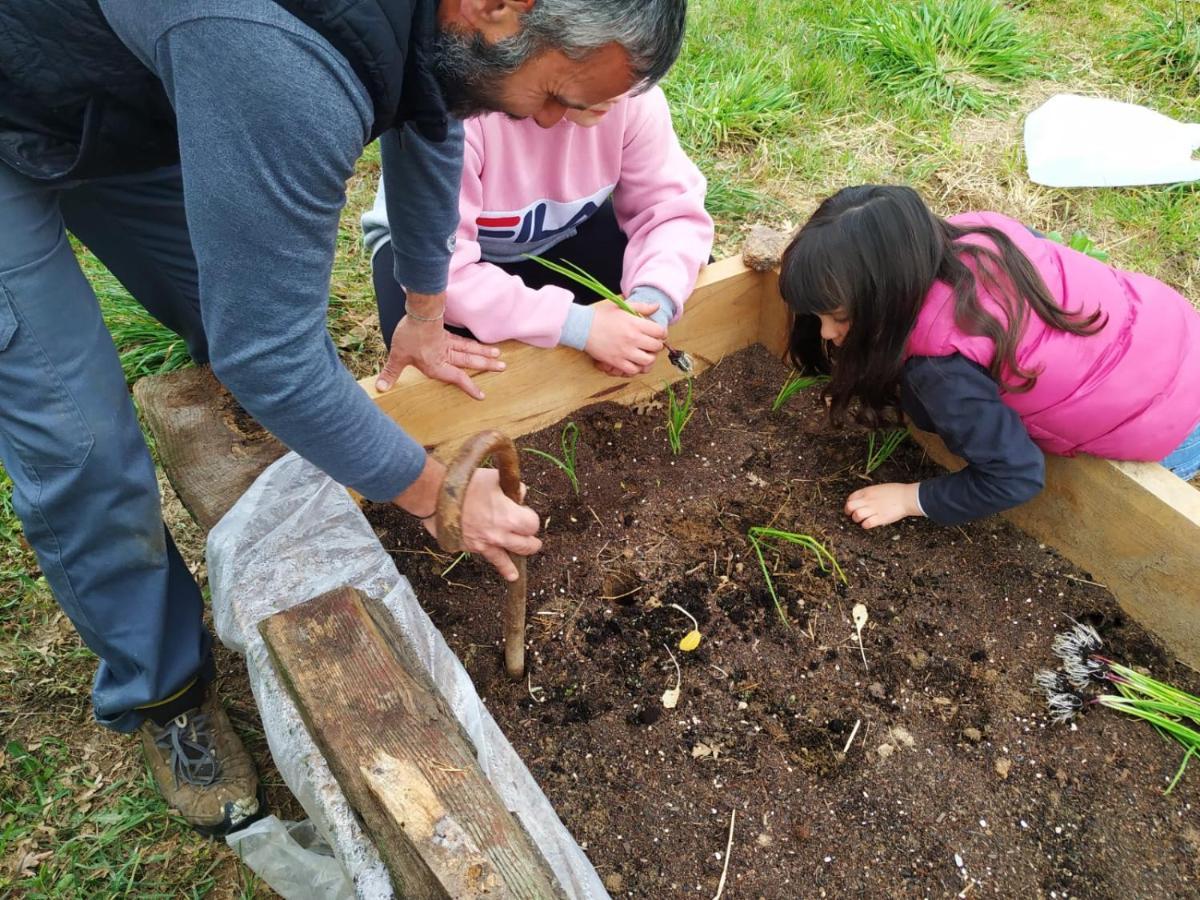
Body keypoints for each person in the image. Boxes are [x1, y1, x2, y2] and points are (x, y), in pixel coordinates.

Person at [0, 0, 686, 835]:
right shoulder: (280, 67)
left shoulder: (440, 30)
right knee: (82, 441)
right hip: (22, 92)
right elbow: (272, 358)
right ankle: (163, 692)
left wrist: (427, 307)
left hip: (127, 92)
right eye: (553, 95)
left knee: (231, 323)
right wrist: (435, 491)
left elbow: (430, 113)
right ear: (497, 8)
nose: (545, 123)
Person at [777, 185, 1200, 530]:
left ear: (889, 296)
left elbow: (1014, 476)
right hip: (1174, 330)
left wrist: (911, 498)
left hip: (1174, 419)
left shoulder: (940, 370)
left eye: (839, 318)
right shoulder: (978, 231)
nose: (827, 334)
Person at [364, 86, 713, 385]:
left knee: (678, 273)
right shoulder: (461, 113)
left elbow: (672, 213)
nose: (616, 93)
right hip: (426, 262)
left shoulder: (633, 95)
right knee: (440, 365)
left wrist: (651, 306)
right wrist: (579, 325)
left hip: (559, 233)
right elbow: (439, 273)